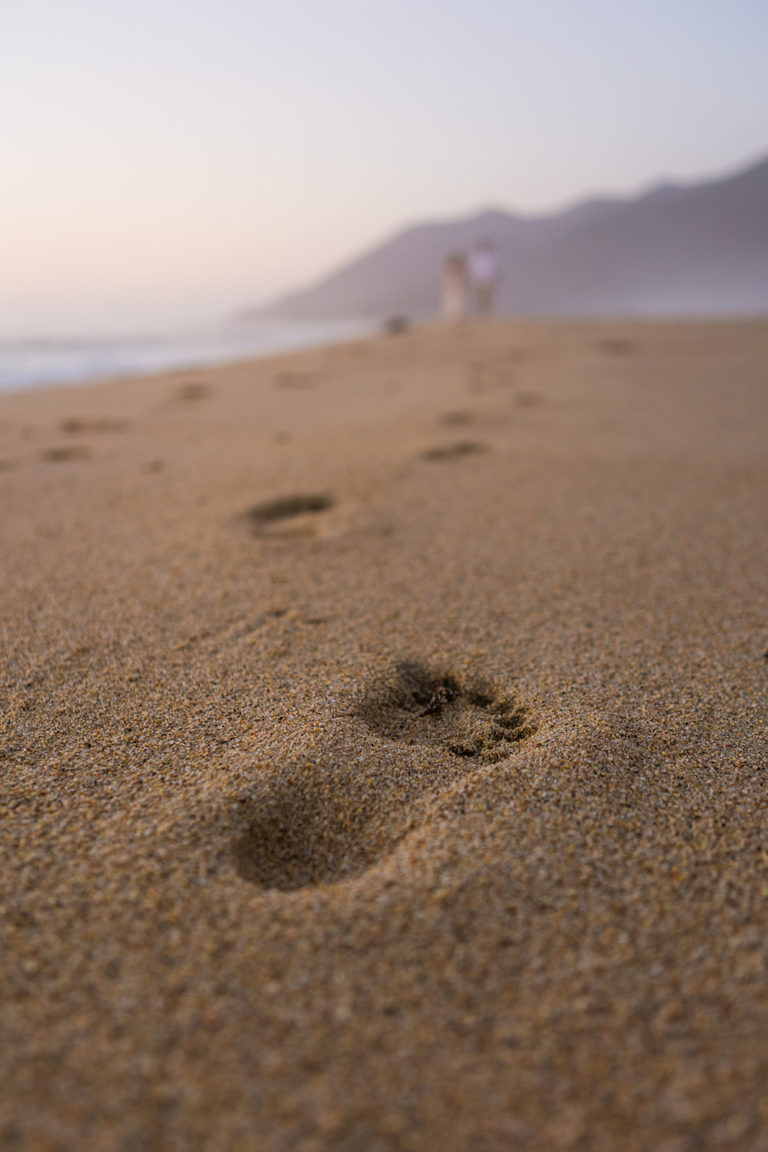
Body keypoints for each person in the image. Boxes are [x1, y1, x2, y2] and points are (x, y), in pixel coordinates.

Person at [468, 238, 500, 316]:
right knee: (480, 300)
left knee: (488, 300)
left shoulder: (493, 257)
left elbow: (496, 270)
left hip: (489, 282)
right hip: (479, 282)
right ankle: (480, 315)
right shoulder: (475, 257)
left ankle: (489, 315)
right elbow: (472, 270)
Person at [442, 250, 468, 321]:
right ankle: (452, 317)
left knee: (457, 303)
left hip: (457, 291)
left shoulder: (460, 271)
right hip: (452, 291)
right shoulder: (449, 271)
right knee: (451, 303)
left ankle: (456, 317)